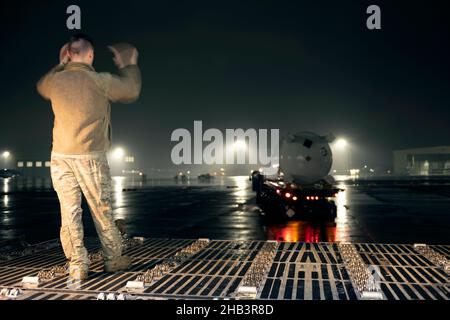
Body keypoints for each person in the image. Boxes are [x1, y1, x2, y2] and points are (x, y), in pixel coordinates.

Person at [37, 33, 141, 280]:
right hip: (90, 156)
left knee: (69, 213)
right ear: (91, 55)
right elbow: (131, 90)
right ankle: (113, 259)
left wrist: (60, 64)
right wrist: (129, 64)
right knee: (101, 211)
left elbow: (41, 85)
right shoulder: (98, 80)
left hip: (60, 156)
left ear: (68, 54)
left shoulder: (56, 80)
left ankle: (78, 265)